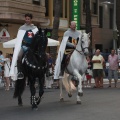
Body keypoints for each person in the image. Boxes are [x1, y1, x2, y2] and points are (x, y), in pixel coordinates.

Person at [9, 13, 38, 79]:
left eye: (28, 19)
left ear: (31, 19)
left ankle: (42, 70)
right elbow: (19, 39)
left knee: (40, 55)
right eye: (26, 19)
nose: (27, 20)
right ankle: (20, 72)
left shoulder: (35, 28)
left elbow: (37, 38)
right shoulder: (21, 28)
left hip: (32, 47)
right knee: (19, 56)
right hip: (24, 47)